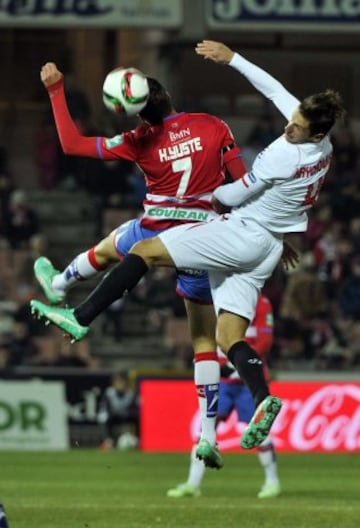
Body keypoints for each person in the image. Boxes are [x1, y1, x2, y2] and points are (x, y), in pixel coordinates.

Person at [31, 40, 344, 453]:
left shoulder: (278, 158)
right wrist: (232, 58)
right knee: (225, 338)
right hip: (267, 244)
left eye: (297, 126)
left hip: (233, 232)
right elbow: (271, 90)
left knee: (137, 250)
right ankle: (261, 398)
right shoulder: (300, 142)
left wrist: (205, 204)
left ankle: (80, 314)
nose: (289, 125)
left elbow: (232, 196)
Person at [32, 61, 248, 469]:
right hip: (204, 238)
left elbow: (73, 145)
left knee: (115, 243)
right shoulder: (212, 124)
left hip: (155, 231)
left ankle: (62, 285)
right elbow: (241, 182)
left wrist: (56, 90)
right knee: (203, 340)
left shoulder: (137, 139)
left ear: (132, 108)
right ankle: (208, 435)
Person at [167, 294, 281, 499]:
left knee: (260, 429)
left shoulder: (260, 301)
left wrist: (233, 366)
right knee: (205, 430)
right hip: (221, 380)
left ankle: (272, 482)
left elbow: (265, 340)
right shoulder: (215, 296)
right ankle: (192, 484)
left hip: (248, 381)